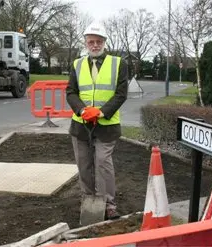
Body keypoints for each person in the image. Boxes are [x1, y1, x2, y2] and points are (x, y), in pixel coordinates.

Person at [66, 22, 128, 220]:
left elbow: (121, 94)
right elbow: (71, 92)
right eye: (91, 42)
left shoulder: (118, 64)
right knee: (83, 163)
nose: (94, 45)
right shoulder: (77, 64)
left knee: (102, 163)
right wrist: (83, 110)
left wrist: (101, 112)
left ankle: (108, 203)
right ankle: (88, 198)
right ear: (86, 43)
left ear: (104, 42)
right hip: (81, 124)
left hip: (106, 124)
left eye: (98, 41)